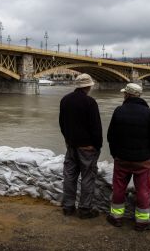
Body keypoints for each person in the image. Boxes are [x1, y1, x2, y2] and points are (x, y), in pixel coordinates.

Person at [106, 83, 150, 230]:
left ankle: (116, 218)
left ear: (127, 95)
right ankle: (142, 223)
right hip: (143, 161)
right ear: (139, 95)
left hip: (122, 159)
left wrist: (115, 154)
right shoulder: (148, 112)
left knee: (119, 189)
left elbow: (111, 136)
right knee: (143, 191)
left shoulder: (119, 111)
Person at [59, 73, 103, 219]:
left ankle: (68, 207)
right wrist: (97, 146)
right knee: (88, 177)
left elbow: (62, 123)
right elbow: (96, 127)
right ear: (88, 86)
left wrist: (67, 139)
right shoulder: (90, 102)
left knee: (70, 176)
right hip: (87, 148)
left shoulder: (65, 100)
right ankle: (85, 209)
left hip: (71, 145)